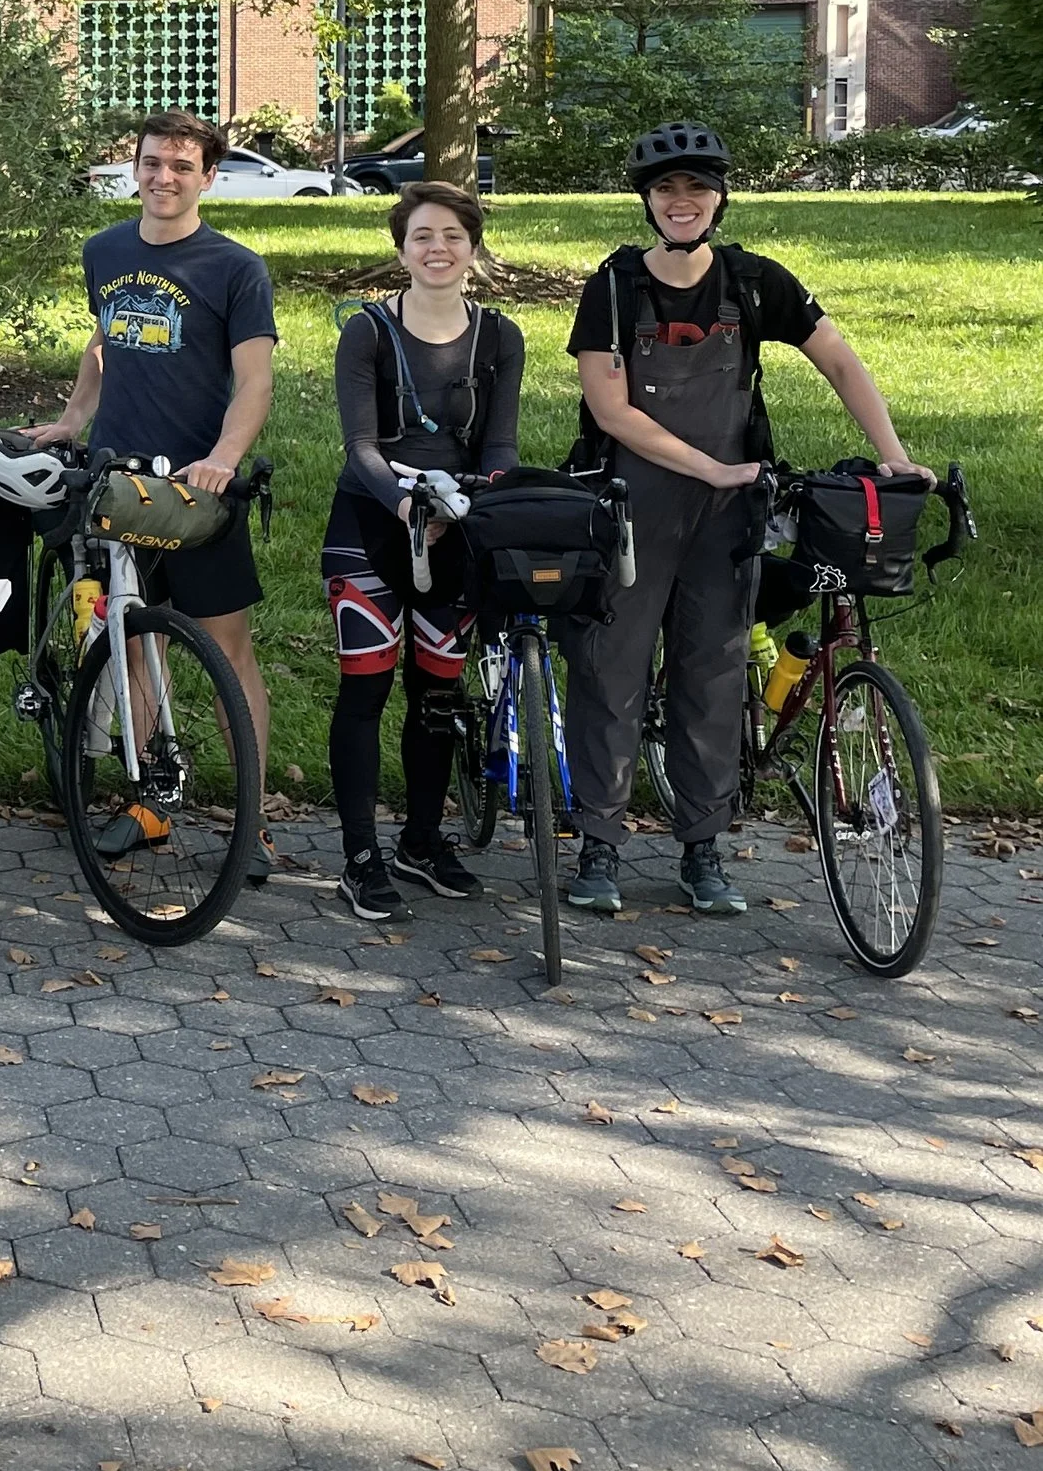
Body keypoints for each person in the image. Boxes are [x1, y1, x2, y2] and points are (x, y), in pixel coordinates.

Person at [563, 123, 927, 919]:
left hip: (727, 515)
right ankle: (598, 842)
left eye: (697, 188)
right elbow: (611, 410)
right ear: (647, 201)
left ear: (720, 197)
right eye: (666, 189)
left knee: (714, 671)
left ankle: (703, 846)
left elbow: (838, 358)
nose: (682, 201)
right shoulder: (614, 288)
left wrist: (892, 453)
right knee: (611, 669)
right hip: (631, 505)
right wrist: (713, 468)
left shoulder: (755, 282)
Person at [28, 110, 277, 849]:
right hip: (116, 484)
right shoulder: (103, 250)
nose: (164, 177)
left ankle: (252, 823)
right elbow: (104, 339)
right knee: (134, 641)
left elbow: (255, 381)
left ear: (207, 175)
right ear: (134, 167)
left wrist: (224, 461)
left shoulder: (234, 267)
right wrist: (74, 418)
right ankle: (150, 804)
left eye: (180, 165)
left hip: (195, 493)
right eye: (152, 162)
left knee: (228, 649)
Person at [321, 185, 523, 921]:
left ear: (474, 246)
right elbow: (360, 448)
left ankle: (421, 838)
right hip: (372, 524)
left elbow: (498, 442)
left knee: (438, 695)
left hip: (454, 524)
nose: (437, 249)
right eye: (421, 237)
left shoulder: (500, 335)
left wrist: (483, 503)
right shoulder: (368, 332)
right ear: (401, 247)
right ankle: (359, 857)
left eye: (452, 236)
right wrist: (409, 505)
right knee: (366, 689)